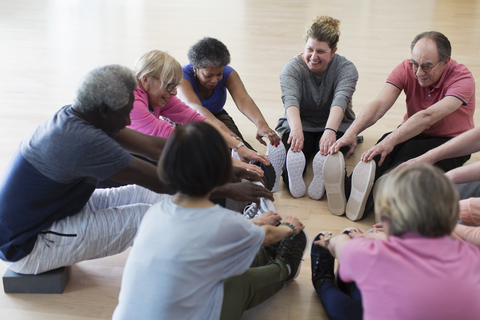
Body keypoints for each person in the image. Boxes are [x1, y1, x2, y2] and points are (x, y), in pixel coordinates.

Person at [0, 65, 273, 275]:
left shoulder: (82, 115)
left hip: (60, 210)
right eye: (126, 112)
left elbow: (154, 148)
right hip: (29, 244)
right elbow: (162, 181)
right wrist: (227, 187)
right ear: (105, 110)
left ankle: (220, 238)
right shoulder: (82, 141)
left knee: (149, 198)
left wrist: (226, 167)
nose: (130, 119)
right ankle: (227, 252)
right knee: (148, 216)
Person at [113, 122, 308, 320]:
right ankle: (285, 266)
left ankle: (264, 255)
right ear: (222, 171)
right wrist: (288, 229)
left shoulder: (154, 213)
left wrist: (254, 226)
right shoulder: (222, 222)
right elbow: (266, 235)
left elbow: (201, 238)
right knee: (237, 282)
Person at [325, 30, 475, 221]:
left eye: (427, 67)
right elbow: (379, 105)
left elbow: (428, 117)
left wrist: (392, 140)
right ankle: (348, 190)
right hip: (411, 130)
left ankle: (384, 190)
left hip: (451, 142)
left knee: (404, 155)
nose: (419, 72)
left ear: (446, 61)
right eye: (415, 64)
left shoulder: (462, 79)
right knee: (376, 154)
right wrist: (351, 133)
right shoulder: (406, 68)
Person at [310, 163, 480, 320]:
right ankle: (350, 284)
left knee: (343, 309)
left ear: (386, 220)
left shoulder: (371, 255)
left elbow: (340, 246)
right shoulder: (472, 256)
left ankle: (324, 282)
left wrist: (331, 241)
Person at [129, 49, 269, 178]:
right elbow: (173, 138)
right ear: (146, 80)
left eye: (175, 86)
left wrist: (239, 147)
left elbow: (195, 118)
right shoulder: (132, 100)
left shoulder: (156, 93)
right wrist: (232, 163)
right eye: (170, 86)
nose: (175, 92)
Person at [177, 37, 285, 192]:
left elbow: (243, 100)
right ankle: (229, 180)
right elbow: (197, 110)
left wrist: (261, 124)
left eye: (219, 74)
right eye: (208, 75)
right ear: (195, 68)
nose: (215, 80)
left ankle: (263, 177)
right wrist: (230, 136)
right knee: (218, 150)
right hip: (190, 121)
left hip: (217, 115)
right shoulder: (182, 76)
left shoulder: (228, 73)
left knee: (245, 151)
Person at [275, 16, 358, 199]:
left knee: (332, 164)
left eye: (320, 51)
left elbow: (340, 100)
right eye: (309, 49)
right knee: (292, 167)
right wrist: (296, 130)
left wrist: (330, 130)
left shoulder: (346, 69)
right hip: (300, 123)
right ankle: (296, 174)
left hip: (337, 124)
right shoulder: (291, 68)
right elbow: (291, 100)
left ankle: (325, 171)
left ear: (333, 51)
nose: (313, 56)